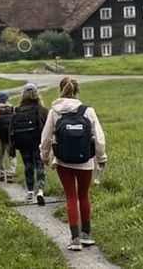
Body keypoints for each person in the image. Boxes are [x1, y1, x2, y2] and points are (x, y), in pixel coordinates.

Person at [40, 77, 107, 251]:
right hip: (85, 161)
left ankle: (74, 239)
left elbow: (46, 138)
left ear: (60, 90)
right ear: (77, 91)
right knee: (84, 195)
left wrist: (45, 156)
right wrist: (101, 158)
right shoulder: (88, 111)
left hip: (63, 161)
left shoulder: (54, 112)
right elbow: (99, 138)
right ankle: (86, 235)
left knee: (70, 196)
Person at [9, 83, 48, 205]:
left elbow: (11, 130)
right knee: (39, 166)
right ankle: (40, 190)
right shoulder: (41, 110)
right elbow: (48, 128)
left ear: (23, 95)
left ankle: (30, 191)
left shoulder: (16, 110)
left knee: (28, 166)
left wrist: (12, 148)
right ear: (37, 94)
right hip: (37, 143)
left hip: (23, 144)